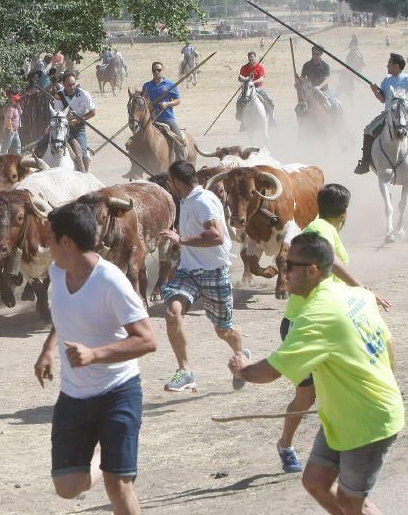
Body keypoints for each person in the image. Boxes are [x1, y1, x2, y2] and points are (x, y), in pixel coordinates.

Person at [229, 233, 403, 515]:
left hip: (368, 422)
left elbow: (270, 372)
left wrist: (242, 370)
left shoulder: (316, 317)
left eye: (289, 266)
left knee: (351, 502)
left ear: (312, 270)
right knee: (315, 481)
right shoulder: (357, 295)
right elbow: (389, 342)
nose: (283, 272)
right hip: (344, 416)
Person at [34, 202, 156, 514]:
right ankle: (107, 461)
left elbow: (147, 340)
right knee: (67, 486)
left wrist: (95, 355)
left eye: (49, 238)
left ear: (67, 243)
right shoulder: (57, 273)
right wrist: (49, 348)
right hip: (74, 395)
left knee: (118, 485)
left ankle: (115, 467)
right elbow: (65, 314)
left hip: (118, 391)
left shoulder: (110, 281)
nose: (43, 244)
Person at [270, 184, 390, 473]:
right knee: (307, 397)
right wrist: (363, 290)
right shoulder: (321, 228)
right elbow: (330, 260)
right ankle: (285, 444)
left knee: (340, 385)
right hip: (306, 324)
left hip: (328, 321)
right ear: (345, 212)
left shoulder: (324, 227)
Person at [159, 160, 248, 392]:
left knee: (224, 330)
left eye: (171, 181)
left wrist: (182, 240)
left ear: (177, 182)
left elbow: (216, 236)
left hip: (214, 272)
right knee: (172, 312)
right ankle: (185, 371)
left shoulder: (203, 201)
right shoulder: (187, 200)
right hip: (189, 271)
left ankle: (241, 354)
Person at [355, 53, 408, 174]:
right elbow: (383, 99)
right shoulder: (386, 80)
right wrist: (375, 91)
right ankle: (365, 163)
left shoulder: (407, 79)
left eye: (389, 63)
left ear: (396, 65)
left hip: (405, 113)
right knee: (368, 130)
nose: (387, 65)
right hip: (388, 113)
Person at [142, 62, 185, 161]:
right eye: (154, 70)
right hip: (151, 120)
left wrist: (167, 104)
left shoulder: (170, 84)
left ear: (162, 70)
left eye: (159, 70)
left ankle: (182, 162)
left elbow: (178, 100)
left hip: (167, 118)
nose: (156, 72)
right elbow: (143, 102)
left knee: (179, 140)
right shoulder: (147, 86)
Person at [53, 72, 95, 172]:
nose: (72, 87)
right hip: (62, 128)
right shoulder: (59, 95)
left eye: (73, 84)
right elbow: (58, 114)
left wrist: (79, 119)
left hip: (78, 129)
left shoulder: (84, 94)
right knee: (42, 147)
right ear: (63, 84)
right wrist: (67, 118)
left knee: (83, 157)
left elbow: (93, 112)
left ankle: (85, 176)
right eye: (69, 85)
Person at [299, 45, 342, 117]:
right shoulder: (306, 65)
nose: (315, 55)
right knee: (299, 108)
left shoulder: (325, 66)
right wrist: (304, 82)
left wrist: (319, 87)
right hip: (310, 91)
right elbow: (302, 78)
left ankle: (335, 122)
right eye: (313, 53)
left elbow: (327, 79)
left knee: (334, 104)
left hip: (324, 90)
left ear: (320, 55)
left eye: (317, 54)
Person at [237, 50, 276, 125]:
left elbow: (262, 78)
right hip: (247, 89)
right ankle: (242, 122)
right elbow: (239, 78)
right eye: (249, 57)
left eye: (252, 57)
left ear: (255, 57)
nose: (250, 58)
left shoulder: (259, 67)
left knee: (270, 99)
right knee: (239, 101)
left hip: (258, 88)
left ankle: (272, 119)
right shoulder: (244, 68)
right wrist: (242, 79)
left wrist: (252, 82)